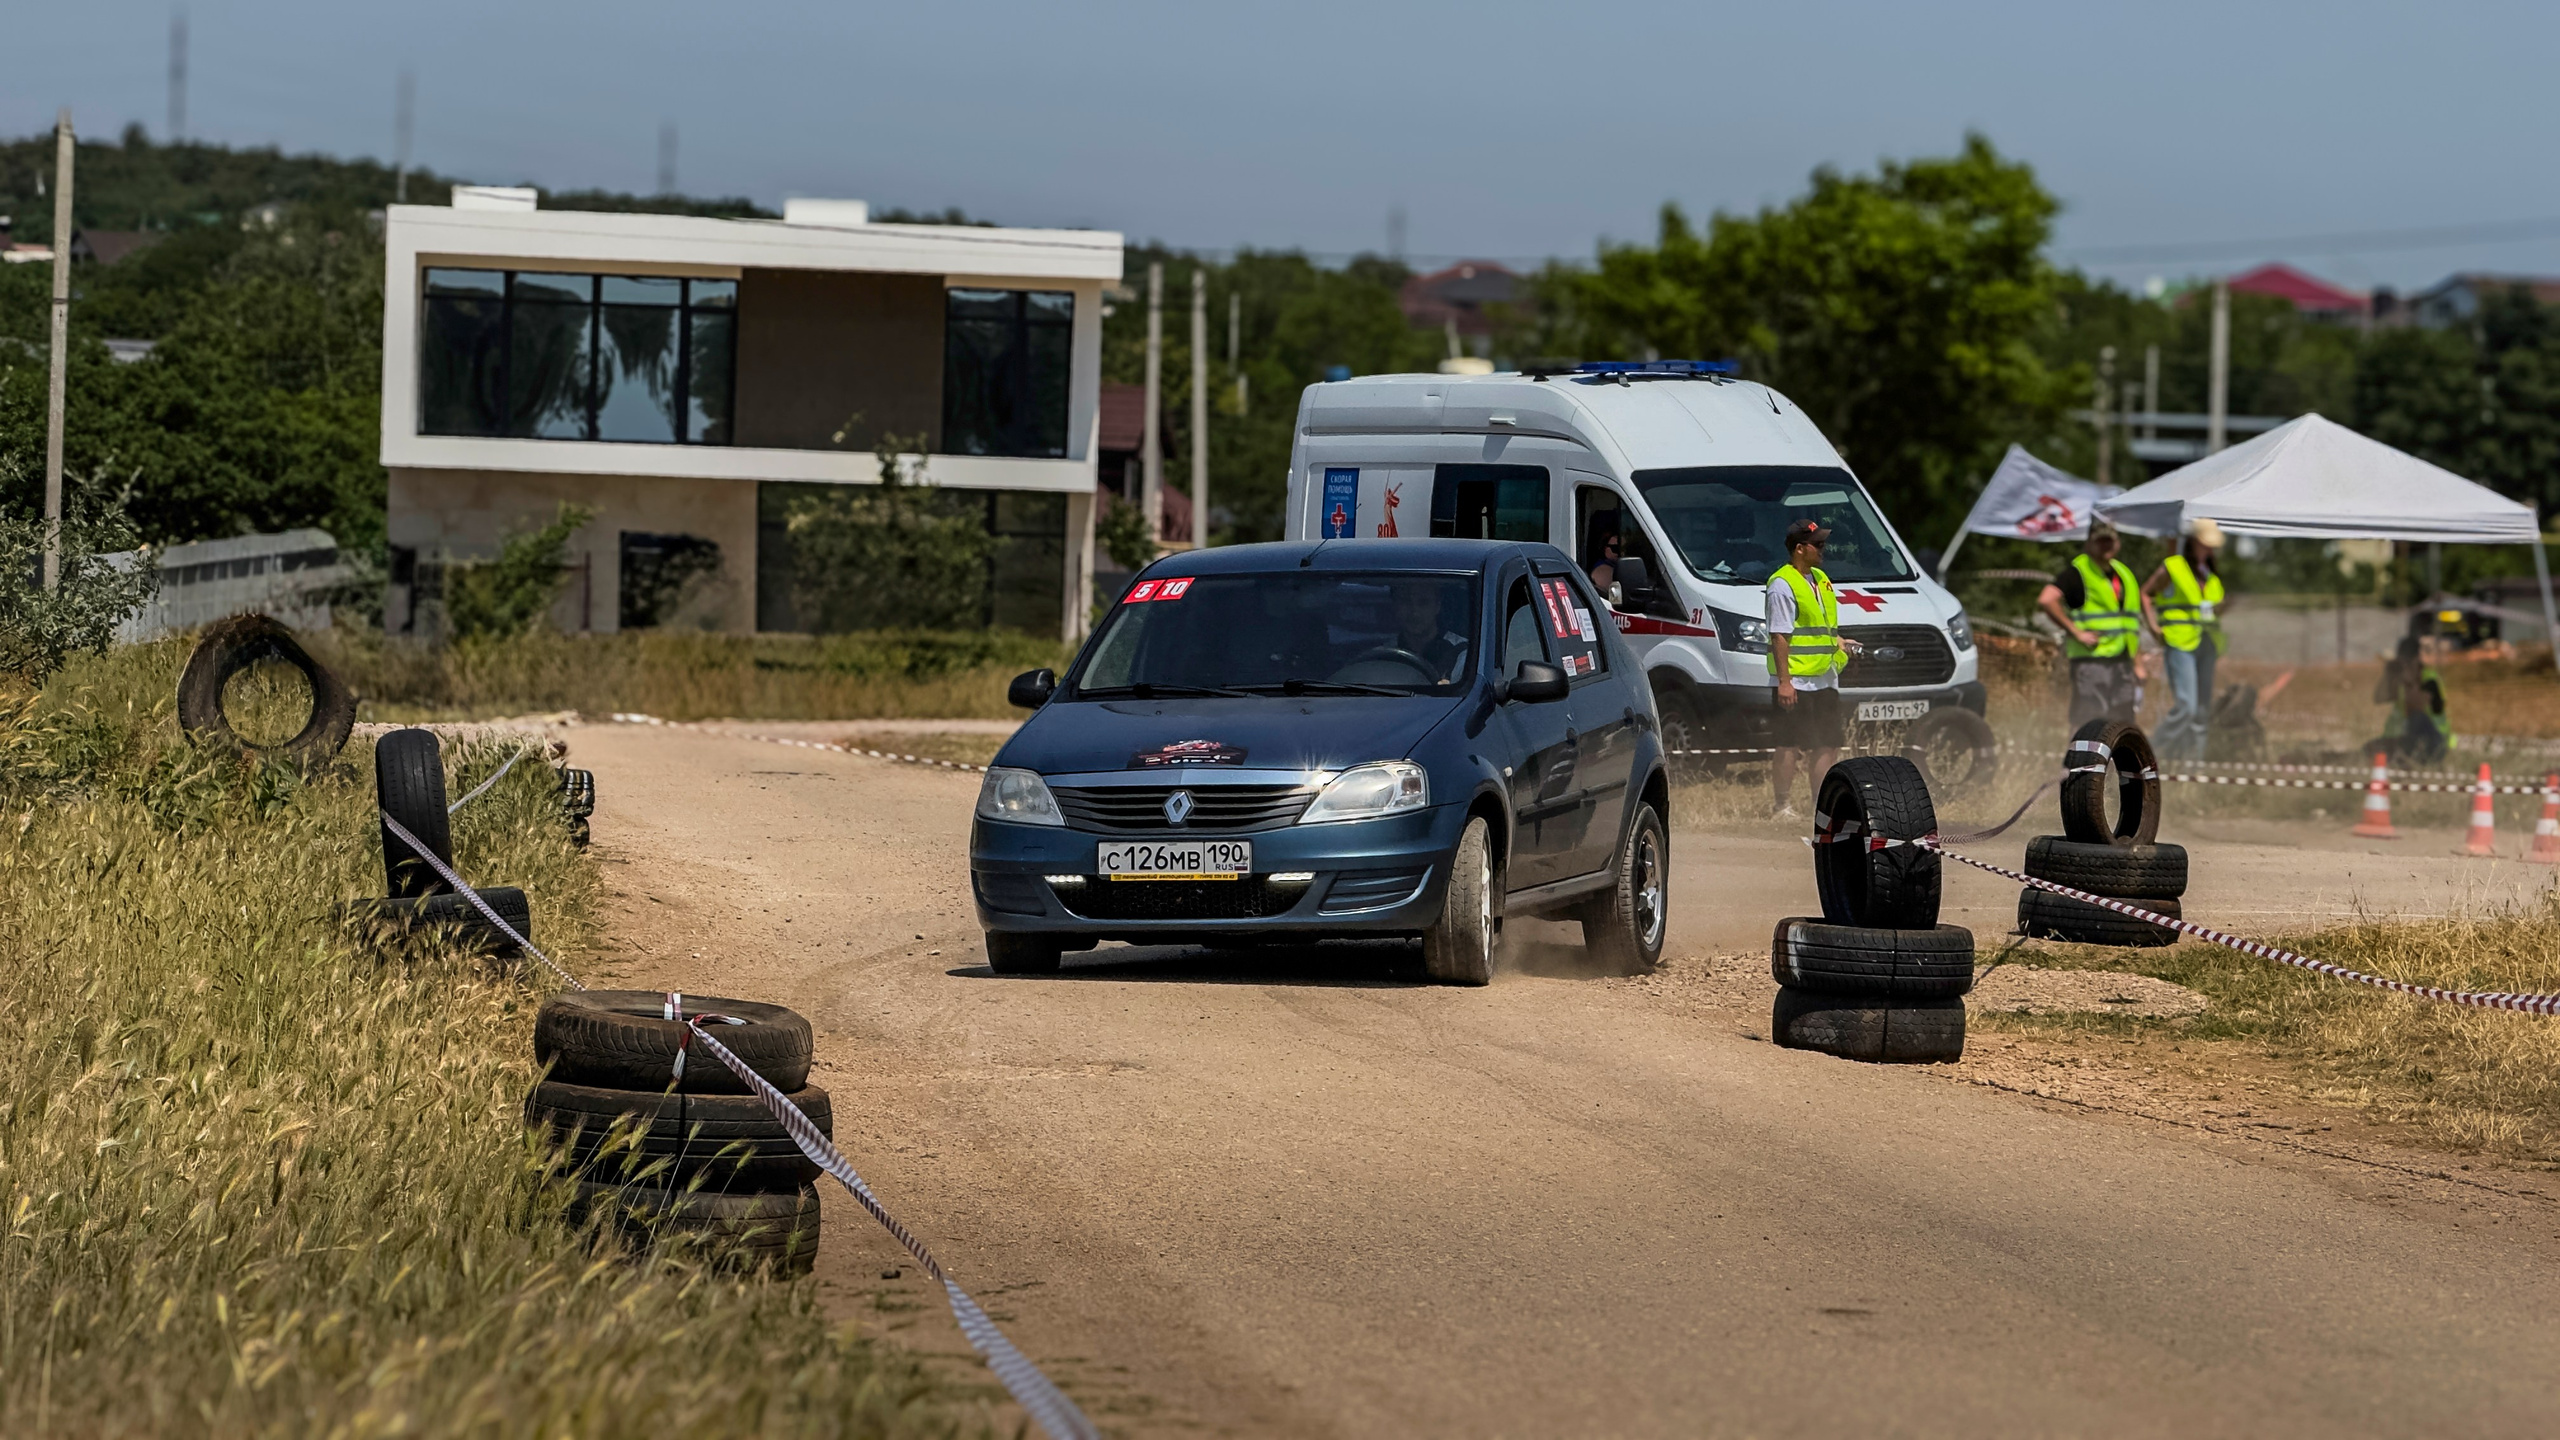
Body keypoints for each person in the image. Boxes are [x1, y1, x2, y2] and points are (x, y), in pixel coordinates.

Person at [1767, 518, 1860, 818]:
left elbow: (1822, 626)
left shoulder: (1821, 578)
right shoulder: (1782, 584)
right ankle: (1782, 807)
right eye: (1817, 544)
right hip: (1796, 680)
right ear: (1798, 548)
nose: (1823, 549)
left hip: (1825, 678)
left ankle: (1822, 808)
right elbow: (1779, 635)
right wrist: (1784, 682)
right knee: (1788, 744)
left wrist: (1840, 641)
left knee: (1827, 744)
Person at [2038, 521, 2143, 729]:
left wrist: (2138, 664)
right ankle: (2080, 762)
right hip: (2091, 660)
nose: (2106, 546)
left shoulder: (2124, 574)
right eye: (2100, 541)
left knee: (2122, 723)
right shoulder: (2078, 572)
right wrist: (2076, 632)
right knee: (2088, 721)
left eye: (2110, 541)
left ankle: (2115, 762)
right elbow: (2046, 599)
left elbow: (2130, 626)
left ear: (2117, 543)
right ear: (2089, 543)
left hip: (2121, 662)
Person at [2143, 517, 2226, 761]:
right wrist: (2154, 627)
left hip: (2207, 643)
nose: (2209, 548)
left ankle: (2193, 768)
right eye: (2205, 543)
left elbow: (2209, 608)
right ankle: (2147, 756)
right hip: (2179, 642)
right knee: (2186, 708)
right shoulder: (2174, 566)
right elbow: (2145, 593)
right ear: (2192, 542)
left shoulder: (2210, 573)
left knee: (2201, 712)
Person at [2370, 635, 2451, 764]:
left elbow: (2416, 709)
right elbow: (2379, 698)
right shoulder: (2399, 678)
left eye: (2406, 663)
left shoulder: (2429, 680)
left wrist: (2410, 682)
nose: (2404, 667)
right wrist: (2389, 675)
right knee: (2370, 748)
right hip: (2403, 739)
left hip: (2434, 741)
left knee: (2417, 719)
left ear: (2416, 659)